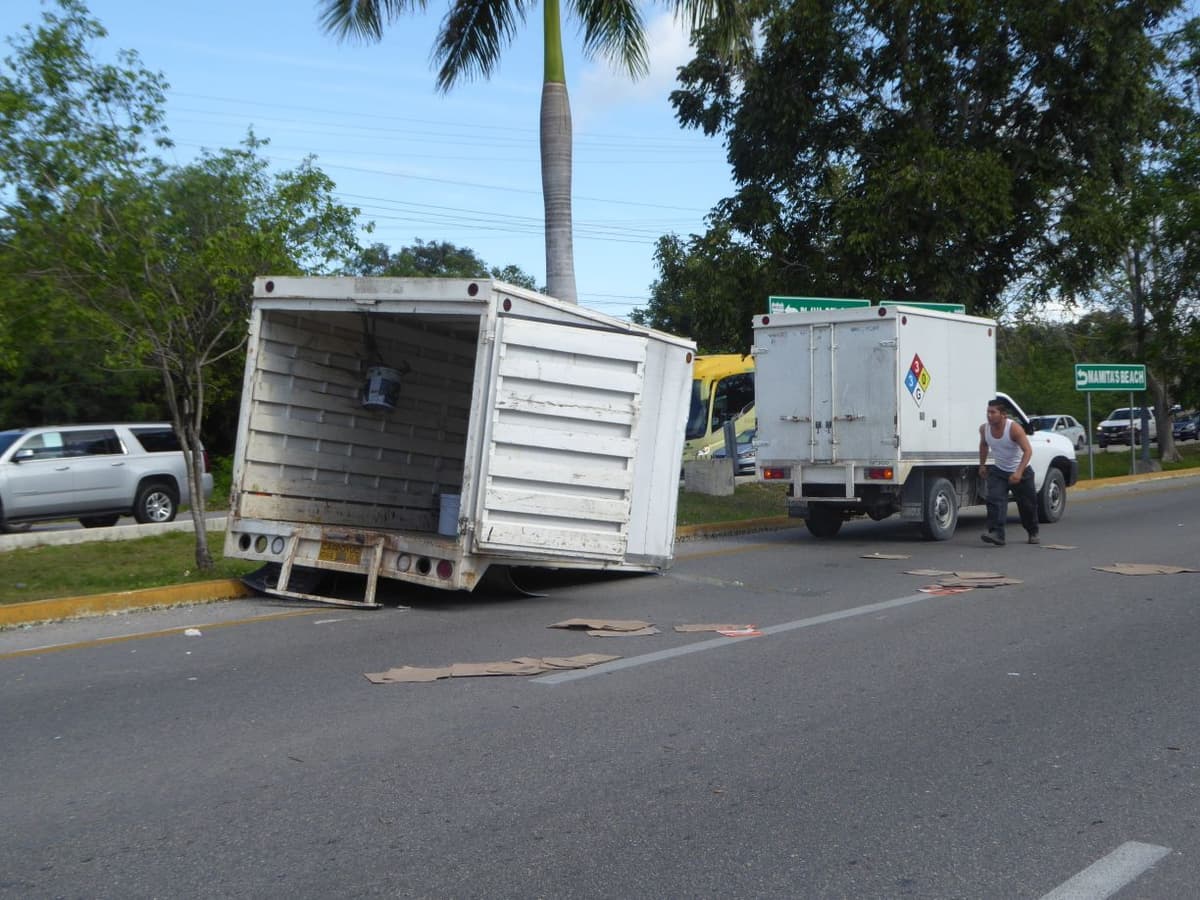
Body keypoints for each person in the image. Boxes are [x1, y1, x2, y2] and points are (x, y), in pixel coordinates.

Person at [978, 397, 1039, 546]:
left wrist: (1018, 472)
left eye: (993, 412)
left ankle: (1033, 532)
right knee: (994, 500)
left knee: (1027, 506)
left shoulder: (1014, 429)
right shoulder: (984, 429)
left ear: (1003, 414)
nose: (989, 415)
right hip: (999, 470)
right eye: (988, 412)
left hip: (1022, 471)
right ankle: (997, 534)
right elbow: (984, 445)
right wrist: (982, 464)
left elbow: (1028, 451)